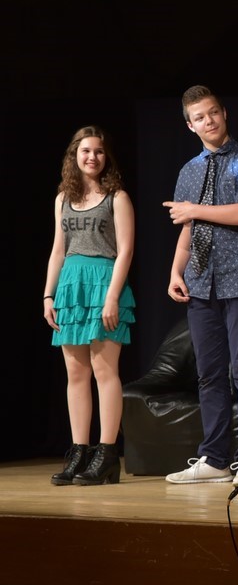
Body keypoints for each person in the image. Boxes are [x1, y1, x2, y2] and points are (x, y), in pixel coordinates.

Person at [162, 85, 238, 485]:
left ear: (224, 113)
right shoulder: (188, 170)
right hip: (200, 280)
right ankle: (212, 458)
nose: (208, 121)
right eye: (199, 117)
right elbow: (187, 227)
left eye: (213, 113)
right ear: (190, 125)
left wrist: (195, 209)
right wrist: (177, 271)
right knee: (209, 373)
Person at [44, 125, 136, 486]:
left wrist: (112, 295)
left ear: (105, 156)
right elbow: (58, 250)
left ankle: (107, 454)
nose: (92, 157)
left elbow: (126, 250)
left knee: (104, 370)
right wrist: (49, 294)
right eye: (85, 151)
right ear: (75, 156)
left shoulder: (118, 197)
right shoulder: (63, 198)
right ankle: (79, 452)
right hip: (71, 286)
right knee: (76, 374)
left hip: (104, 282)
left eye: (98, 151)